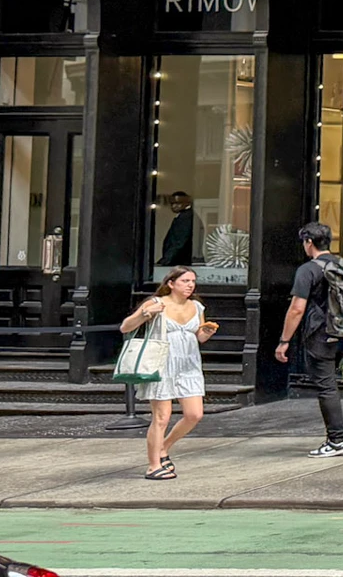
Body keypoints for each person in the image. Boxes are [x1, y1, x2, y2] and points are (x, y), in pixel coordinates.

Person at [119, 266, 218, 480]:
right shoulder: (156, 303)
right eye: (185, 281)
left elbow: (199, 337)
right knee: (162, 417)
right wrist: (145, 314)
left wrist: (206, 332)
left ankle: (164, 447)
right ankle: (153, 465)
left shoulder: (197, 306)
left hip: (189, 364)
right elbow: (125, 327)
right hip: (161, 363)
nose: (190, 285)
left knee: (194, 414)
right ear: (171, 283)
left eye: (193, 281)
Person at [276, 222, 343, 458]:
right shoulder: (342, 265)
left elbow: (296, 308)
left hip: (321, 334)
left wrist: (284, 341)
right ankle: (337, 438)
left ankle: (337, 440)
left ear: (309, 242)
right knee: (330, 385)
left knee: (326, 387)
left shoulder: (308, 270)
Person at [157, 192, 202, 268]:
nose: (173, 206)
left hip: (179, 262)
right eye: (172, 203)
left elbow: (179, 241)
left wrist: (167, 260)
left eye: (178, 203)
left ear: (187, 203)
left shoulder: (185, 217)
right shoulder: (185, 216)